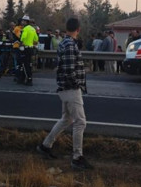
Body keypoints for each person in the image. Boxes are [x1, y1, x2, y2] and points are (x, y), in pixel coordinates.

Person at [36, 17, 92, 171]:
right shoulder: (69, 44)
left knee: (66, 119)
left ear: (67, 28)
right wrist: (77, 84)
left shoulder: (64, 42)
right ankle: (77, 157)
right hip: (71, 89)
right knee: (80, 122)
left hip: (65, 88)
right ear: (78, 30)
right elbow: (68, 70)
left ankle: (45, 145)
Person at [18, 15, 39, 85]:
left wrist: (21, 45)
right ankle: (23, 78)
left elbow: (22, 38)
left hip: (25, 49)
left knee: (24, 64)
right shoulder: (33, 29)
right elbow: (36, 39)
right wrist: (31, 43)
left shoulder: (25, 29)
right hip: (31, 48)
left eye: (23, 21)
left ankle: (28, 79)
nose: (22, 22)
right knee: (29, 64)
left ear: (26, 22)